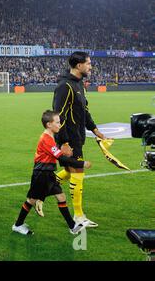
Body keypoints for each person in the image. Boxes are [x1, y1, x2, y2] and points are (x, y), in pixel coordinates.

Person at [12, 110, 91, 235]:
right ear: (49, 124)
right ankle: (18, 225)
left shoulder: (49, 137)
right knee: (31, 200)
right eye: (57, 122)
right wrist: (82, 164)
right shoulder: (46, 139)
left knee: (61, 196)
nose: (60, 125)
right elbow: (61, 158)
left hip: (48, 173)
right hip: (41, 174)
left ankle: (73, 227)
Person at [52, 51, 105, 228]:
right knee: (78, 172)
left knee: (69, 171)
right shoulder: (64, 86)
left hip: (78, 137)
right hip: (69, 139)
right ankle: (79, 216)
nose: (90, 66)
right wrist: (64, 142)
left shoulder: (79, 85)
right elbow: (59, 116)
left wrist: (94, 129)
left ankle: (42, 188)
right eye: (88, 63)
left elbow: (84, 111)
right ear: (78, 65)